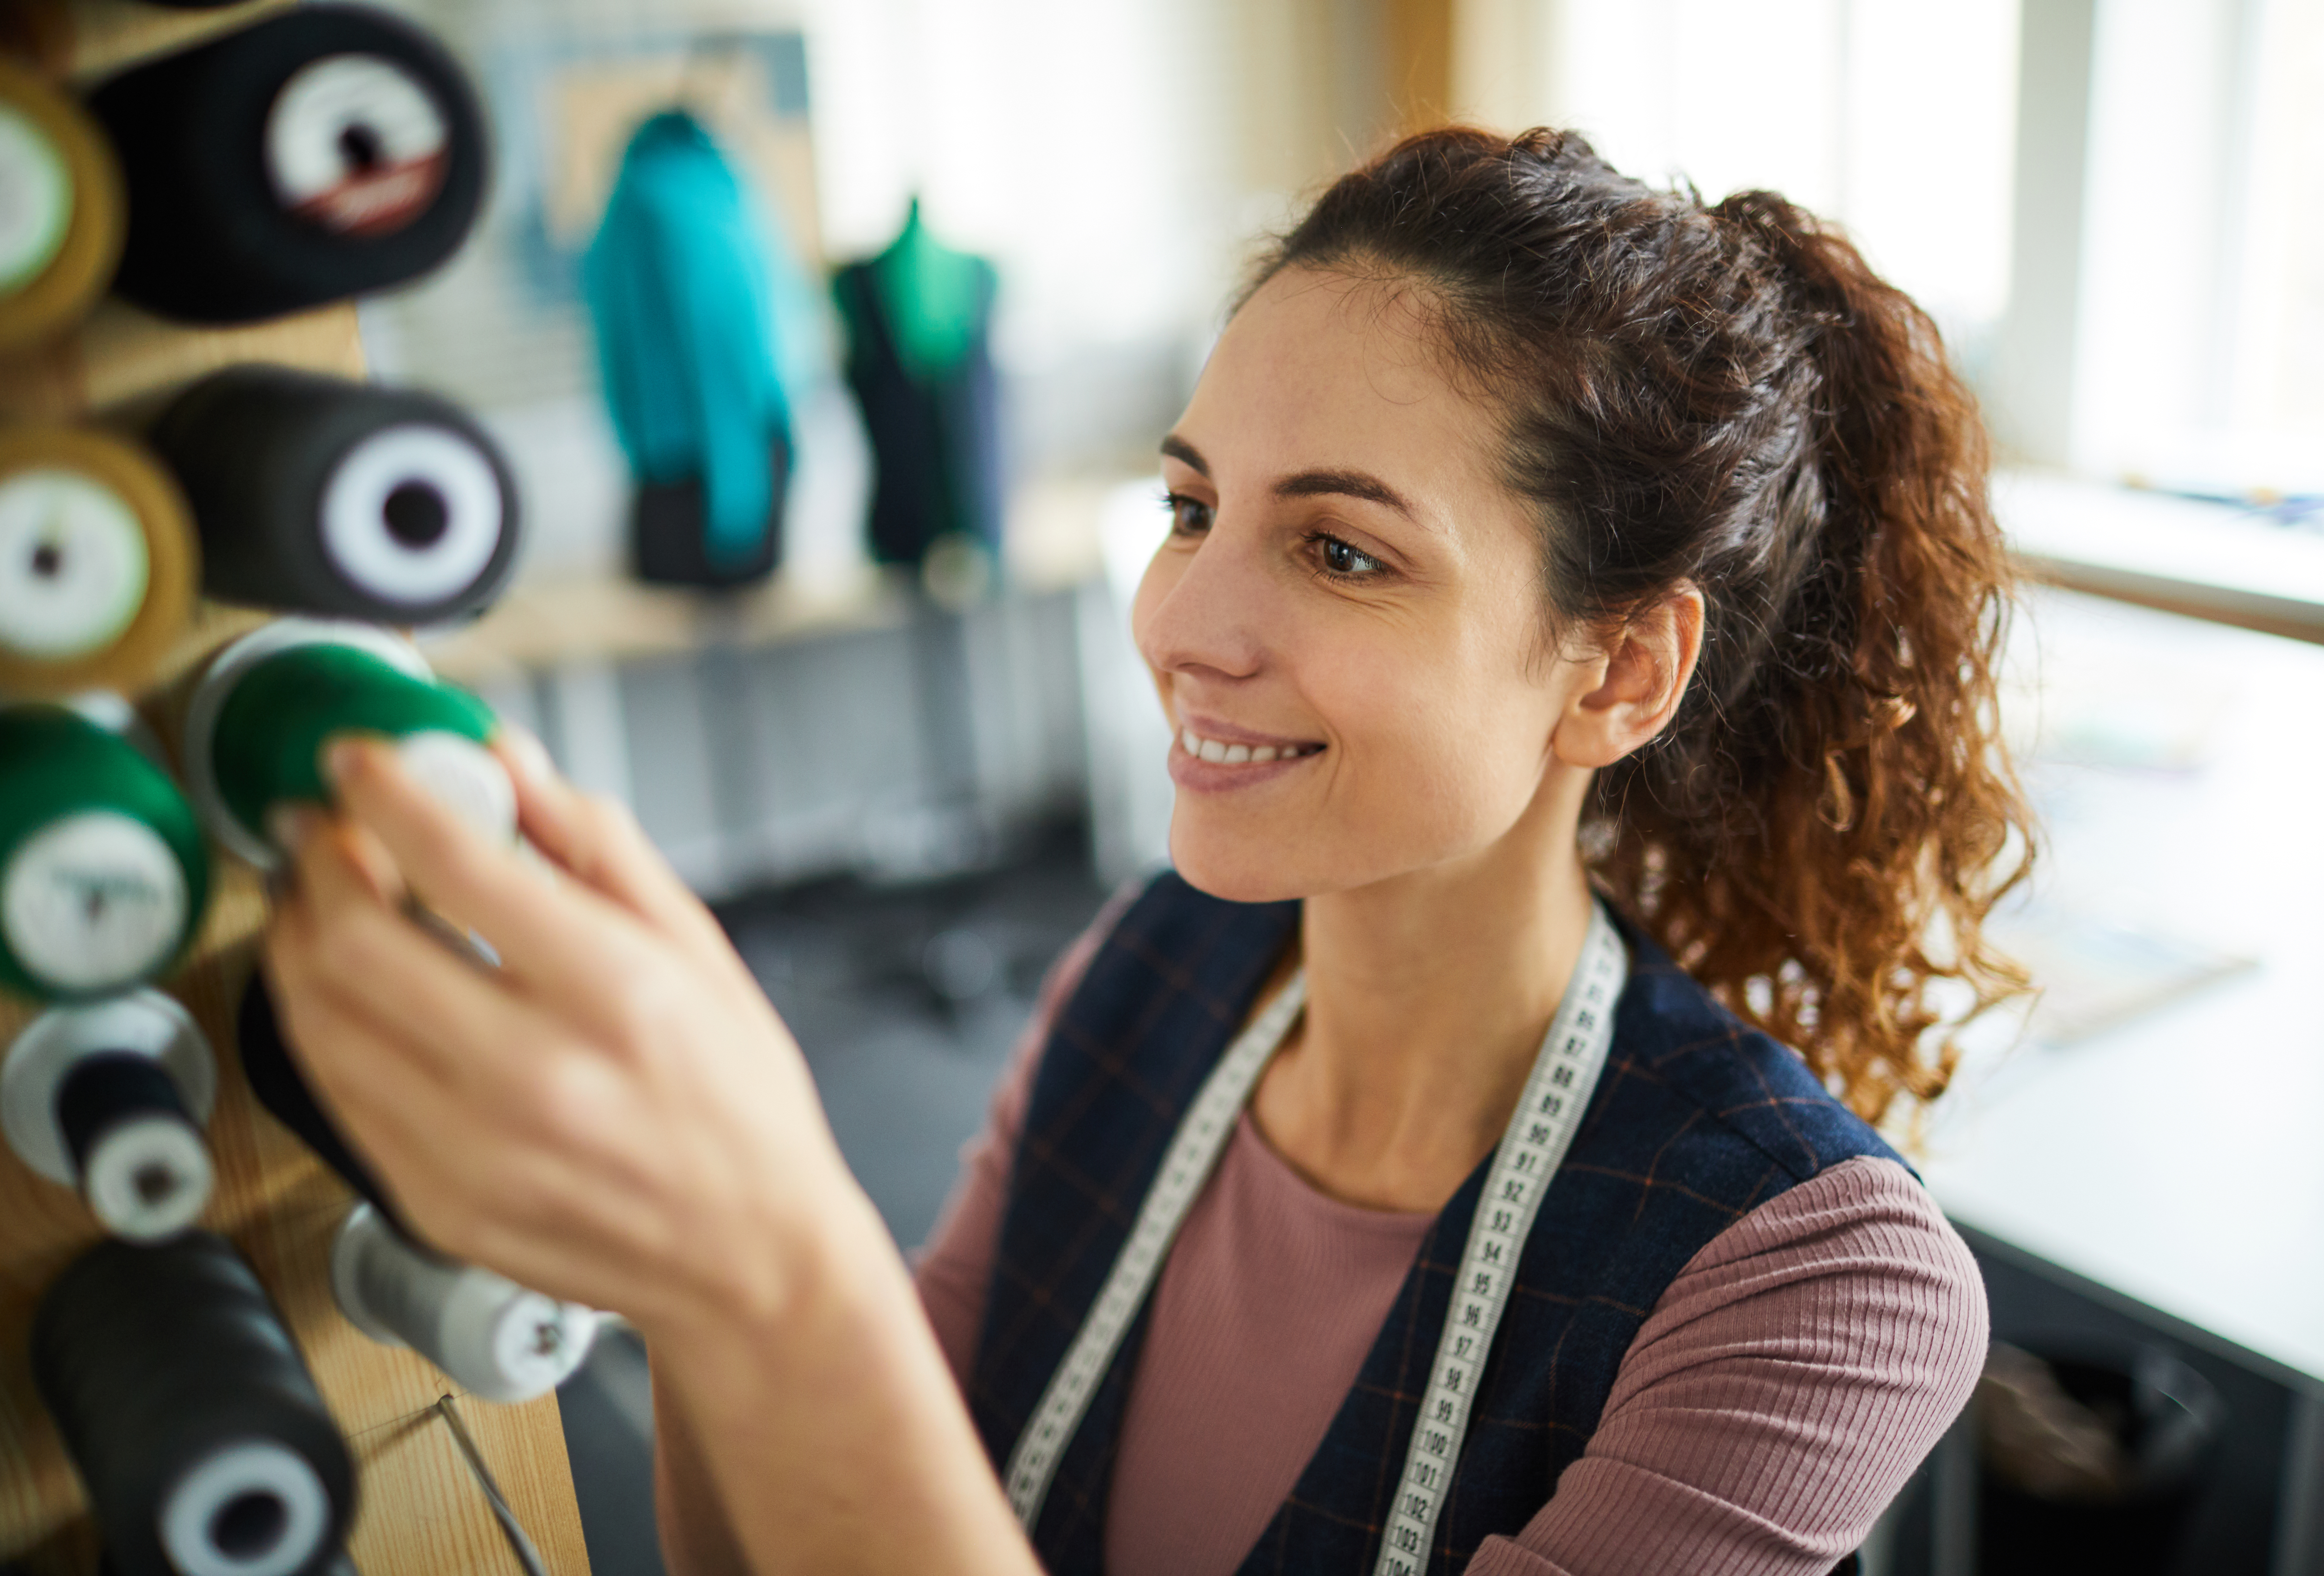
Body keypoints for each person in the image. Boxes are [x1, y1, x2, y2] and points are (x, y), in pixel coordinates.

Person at [264, 128, 2032, 1576]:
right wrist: (709, 1301)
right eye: (1193, 509)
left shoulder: (1813, 1288)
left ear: (1621, 669)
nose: (1187, 620)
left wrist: (783, 1255)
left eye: (1341, 552)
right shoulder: (1149, 971)